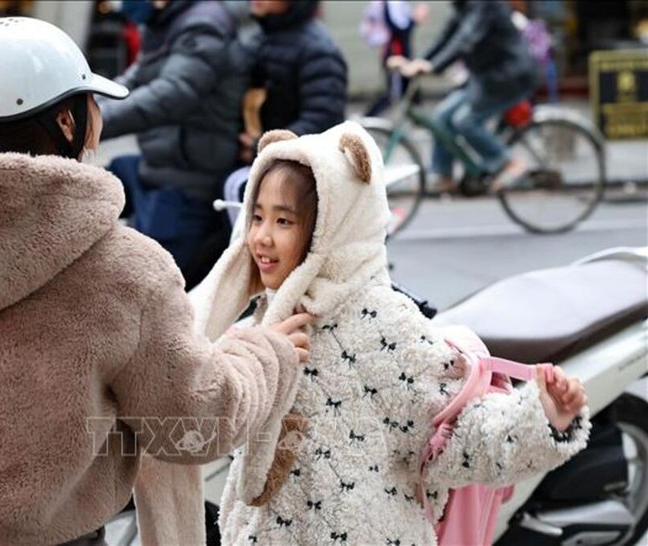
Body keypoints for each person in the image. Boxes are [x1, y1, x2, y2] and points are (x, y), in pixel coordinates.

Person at [0, 17, 312, 545]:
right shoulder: (122, 269)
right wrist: (266, 354)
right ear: (66, 122)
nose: (99, 118)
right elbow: (198, 421)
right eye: (91, 104)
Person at [192, 122, 590, 544]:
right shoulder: (271, 315)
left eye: (284, 221)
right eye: (256, 217)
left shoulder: (381, 320)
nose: (261, 237)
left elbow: (453, 440)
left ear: (334, 225)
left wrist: (542, 417)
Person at [99, 0, 249, 288]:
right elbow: (131, 82)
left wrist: (93, 124)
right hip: (159, 169)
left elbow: (173, 92)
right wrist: (80, 108)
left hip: (188, 182)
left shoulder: (203, 24)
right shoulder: (165, 22)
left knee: (147, 289)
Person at [389, 0, 538, 193]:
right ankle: (444, 176)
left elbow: (465, 40)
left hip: (508, 76)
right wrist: (419, 62)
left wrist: (434, 66)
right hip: (485, 77)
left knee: (465, 121)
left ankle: (509, 162)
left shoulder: (485, 5)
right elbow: (445, 38)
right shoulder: (463, 6)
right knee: (442, 116)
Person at [237, 0, 347, 165]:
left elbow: (322, 120)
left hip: (293, 174)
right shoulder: (260, 38)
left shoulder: (318, 50)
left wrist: (262, 148)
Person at [359, 0, 428, 117]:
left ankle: (422, 123)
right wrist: (414, 20)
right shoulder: (392, 3)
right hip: (395, 55)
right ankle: (366, 118)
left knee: (412, 92)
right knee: (393, 94)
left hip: (400, 53)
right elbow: (398, 28)